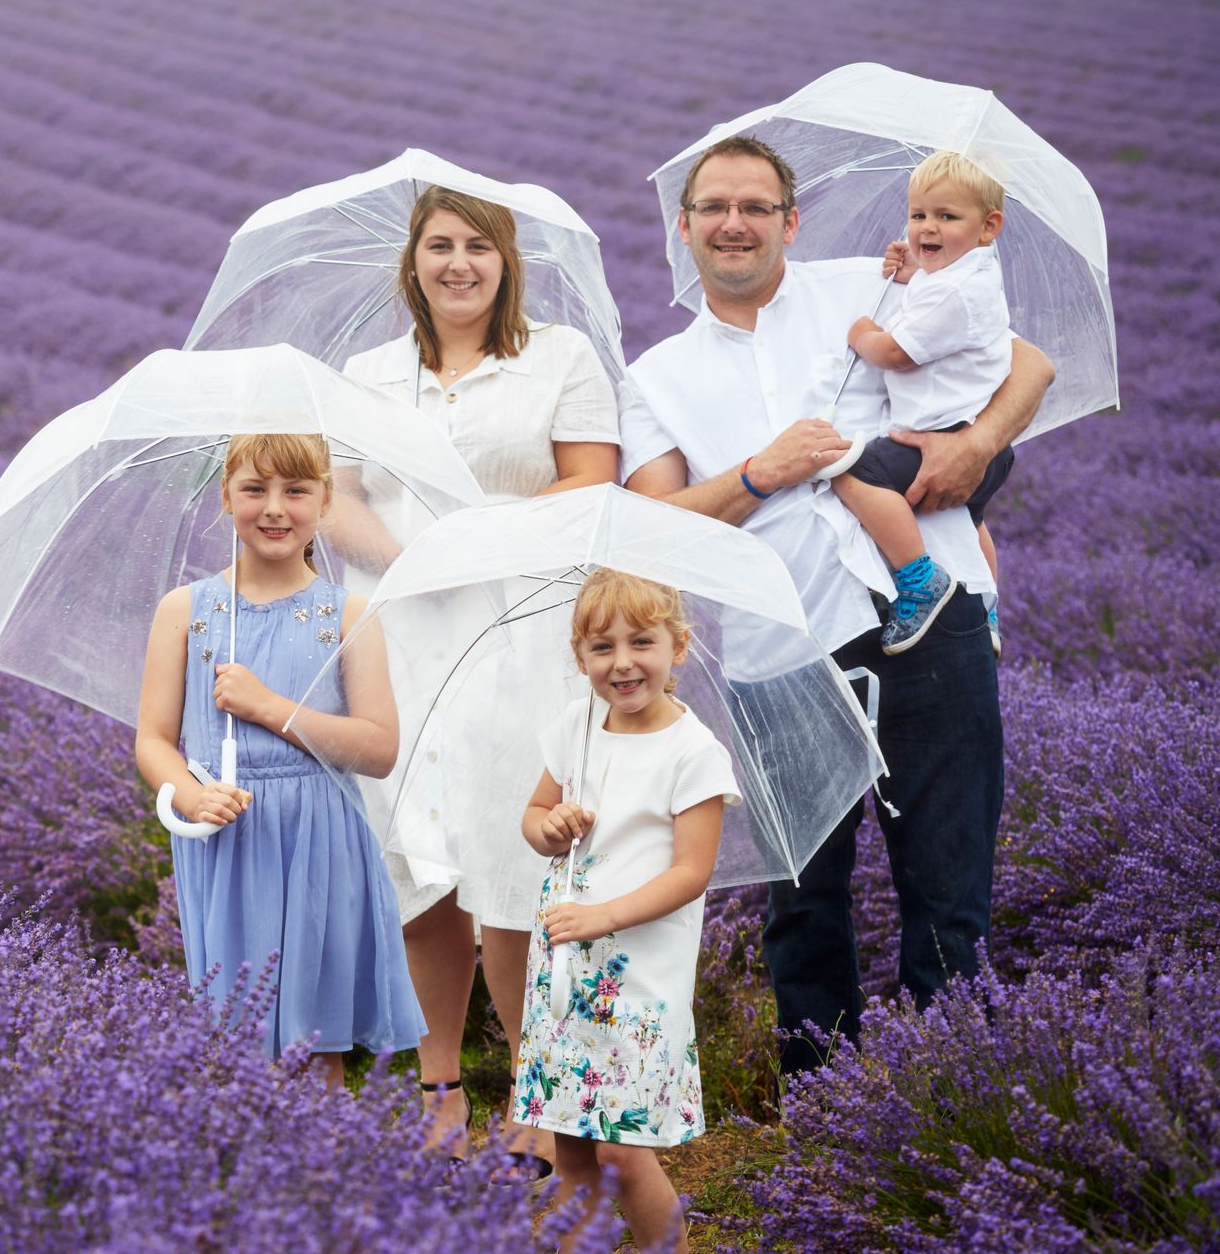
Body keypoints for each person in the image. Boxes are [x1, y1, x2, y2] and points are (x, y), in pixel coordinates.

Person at [618, 135, 1054, 1078]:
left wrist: (978, 444)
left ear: (789, 221)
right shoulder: (656, 376)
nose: (735, 223)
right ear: (684, 227)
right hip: (784, 648)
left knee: (948, 883)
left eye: (757, 206)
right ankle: (828, 1115)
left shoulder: (878, 282)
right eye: (715, 208)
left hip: (933, 621)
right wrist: (755, 474)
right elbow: (652, 523)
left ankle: (952, 1103)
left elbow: (1026, 366)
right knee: (803, 902)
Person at [339, 184, 619, 1174]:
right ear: (412, 262)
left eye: (479, 247)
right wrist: (406, 560)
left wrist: (486, 539)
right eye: (440, 245)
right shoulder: (367, 376)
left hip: (524, 630)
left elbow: (594, 478)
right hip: (401, 633)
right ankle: (441, 1085)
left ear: (507, 262)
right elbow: (334, 496)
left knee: (516, 867)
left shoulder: (557, 357)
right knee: (420, 865)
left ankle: (540, 1091)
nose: (459, 262)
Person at [134, 433, 425, 1081]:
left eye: (295, 491)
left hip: (321, 842)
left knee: (315, 1044)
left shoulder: (347, 615)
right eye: (254, 489)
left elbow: (378, 749)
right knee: (235, 1039)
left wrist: (272, 709)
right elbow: (153, 739)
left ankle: (324, 1173)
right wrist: (188, 792)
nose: (274, 508)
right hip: (227, 837)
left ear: (325, 502)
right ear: (224, 497)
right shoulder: (186, 611)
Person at [513, 569, 739, 1254]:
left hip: (635, 982)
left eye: (641, 641)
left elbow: (690, 873)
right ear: (579, 656)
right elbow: (532, 816)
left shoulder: (691, 752)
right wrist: (550, 827)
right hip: (562, 971)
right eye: (601, 648)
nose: (622, 663)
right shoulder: (576, 726)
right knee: (572, 1144)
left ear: (680, 645)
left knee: (620, 1150)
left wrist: (604, 916)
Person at [830, 150, 1016, 654]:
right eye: (918, 215)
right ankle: (987, 606)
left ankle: (919, 580)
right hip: (985, 443)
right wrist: (918, 272)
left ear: (988, 226)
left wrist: (861, 332)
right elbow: (942, 303)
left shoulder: (952, 293)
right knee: (972, 520)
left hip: (939, 438)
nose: (926, 228)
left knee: (851, 474)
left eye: (946, 217)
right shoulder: (970, 276)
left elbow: (897, 353)